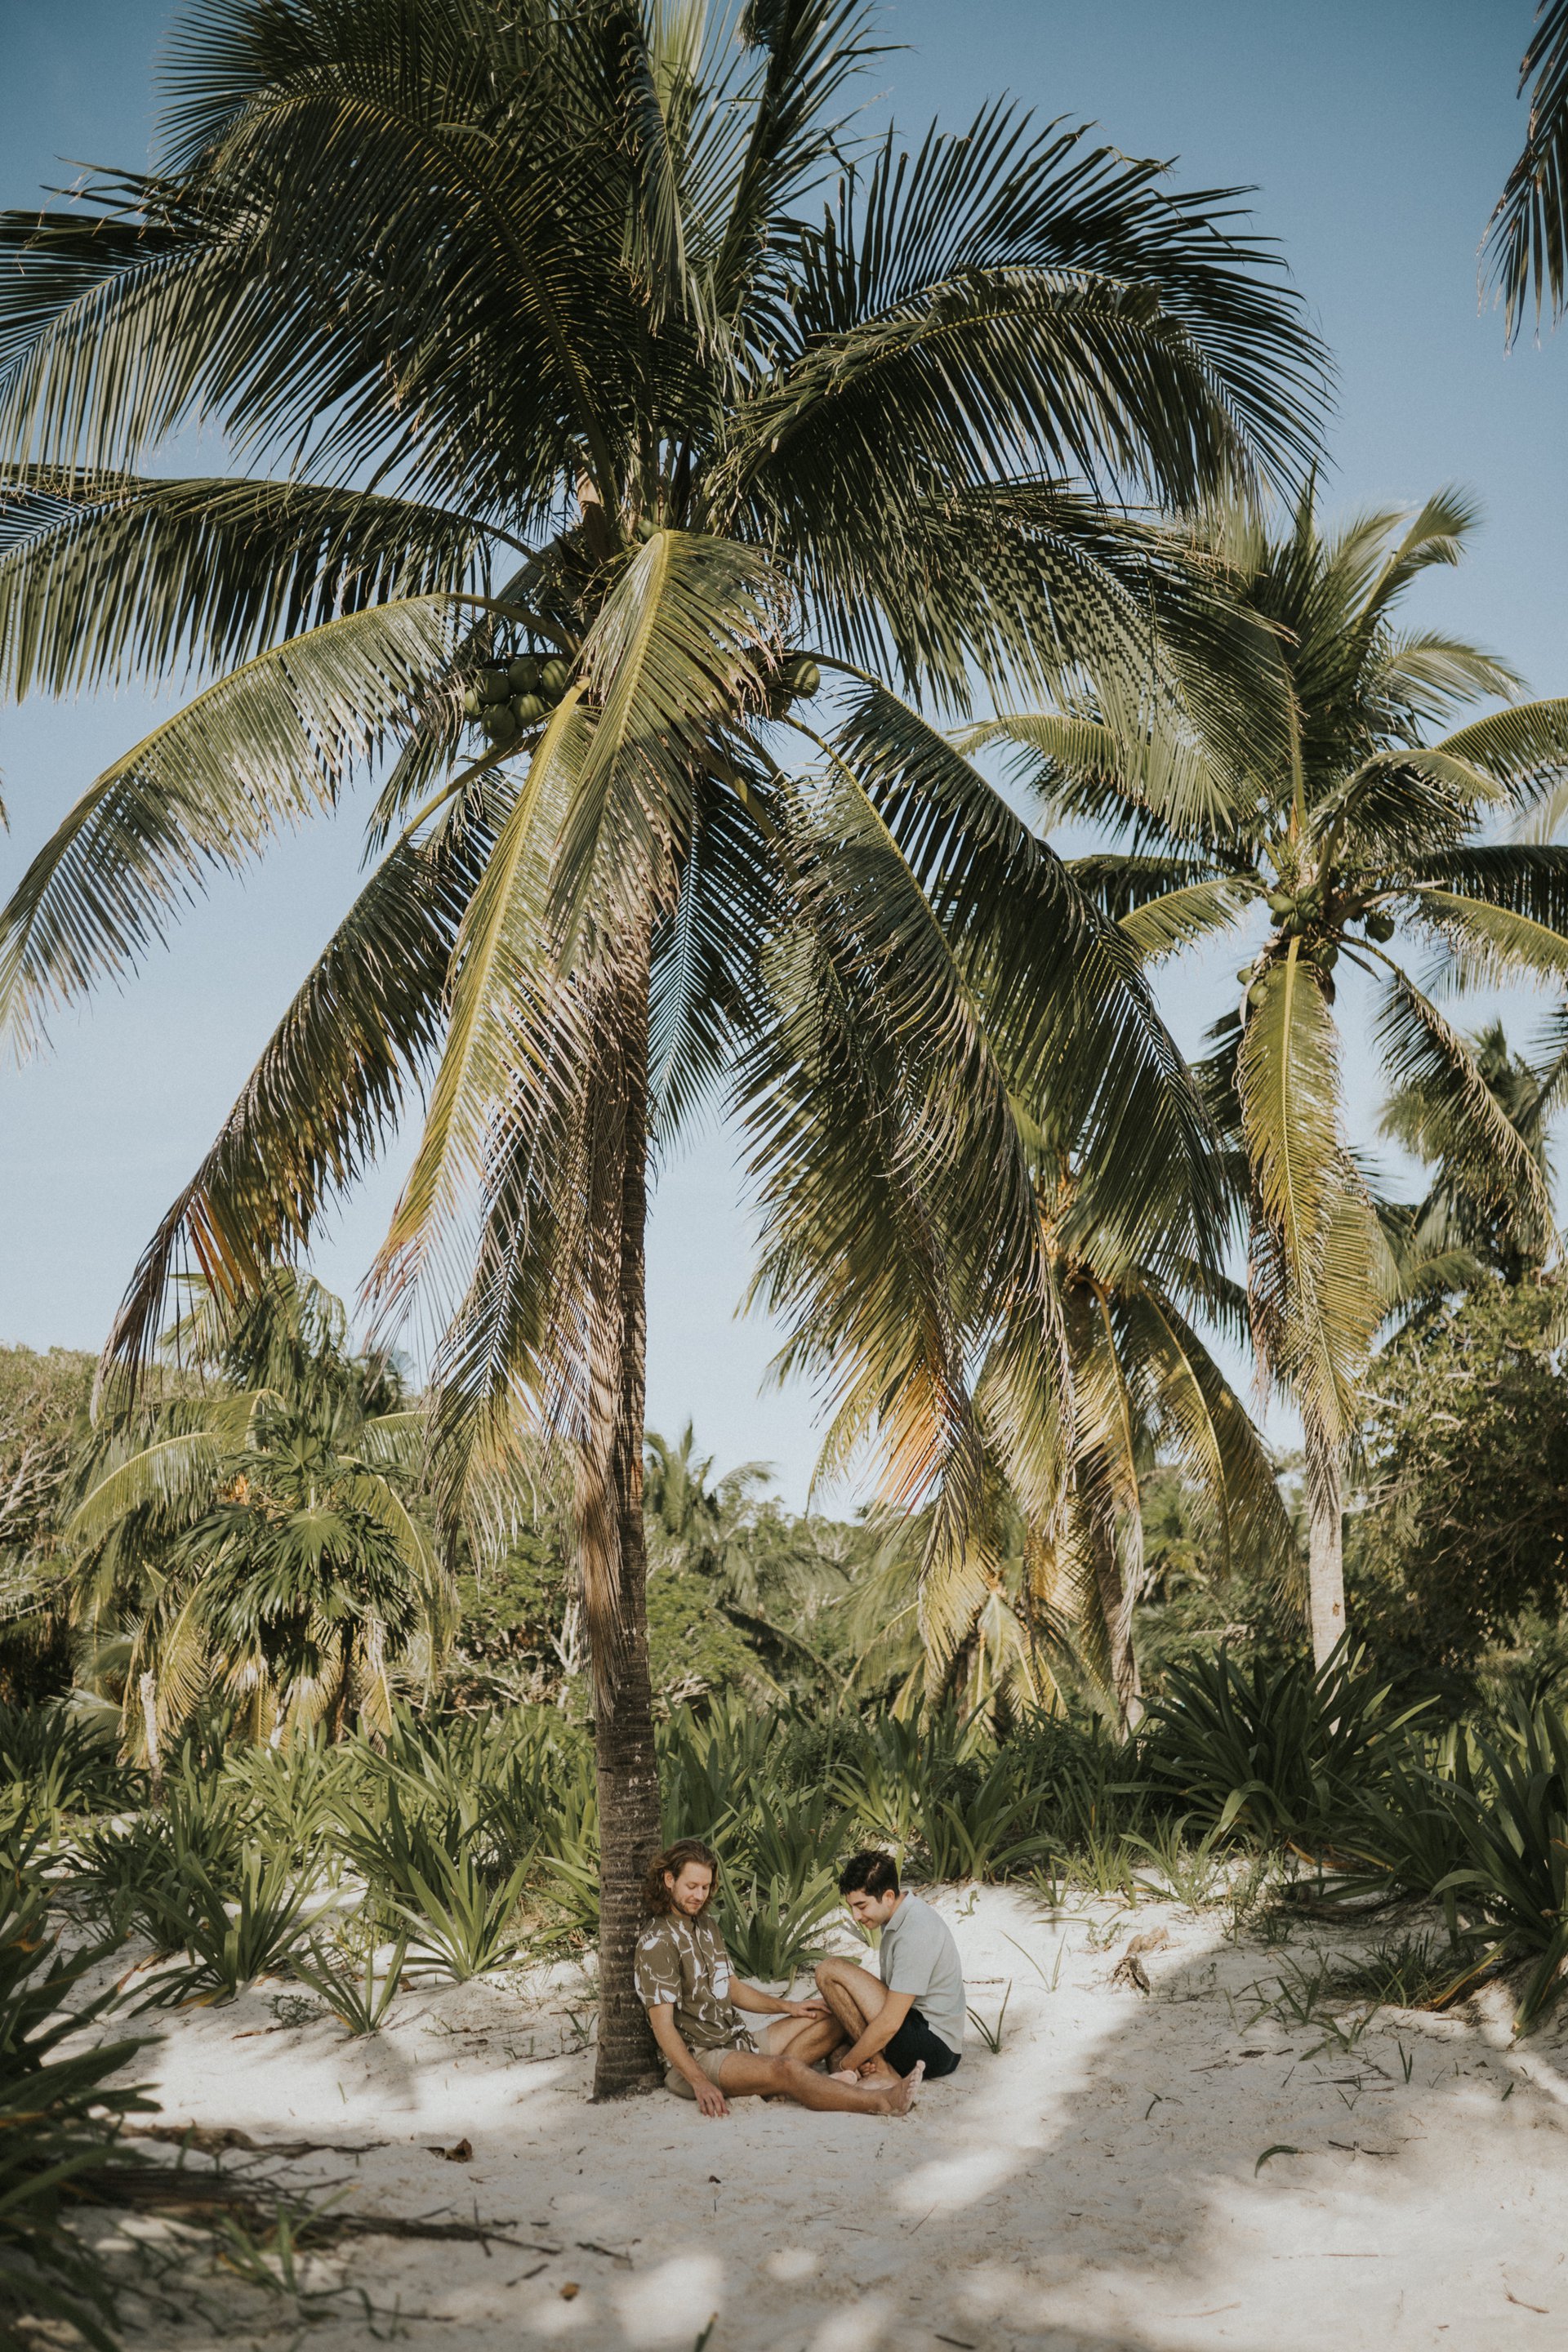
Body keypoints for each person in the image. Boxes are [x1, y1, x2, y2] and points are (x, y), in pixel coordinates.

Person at [634, 1839, 922, 2121]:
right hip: (700, 2057)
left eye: (706, 1887)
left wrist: (790, 2008)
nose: (699, 1895)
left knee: (832, 2014)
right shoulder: (657, 1943)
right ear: (669, 1880)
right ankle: (882, 2101)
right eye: (691, 1886)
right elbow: (663, 2028)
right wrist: (699, 2081)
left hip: (737, 2041)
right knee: (786, 2069)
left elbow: (732, 1988)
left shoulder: (706, 1925)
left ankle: (809, 2081)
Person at [814, 1850, 965, 2085]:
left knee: (828, 1970)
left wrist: (849, 2064)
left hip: (935, 2047)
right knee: (835, 2047)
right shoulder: (896, 1916)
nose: (856, 1916)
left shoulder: (916, 1930)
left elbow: (890, 2022)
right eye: (852, 1907)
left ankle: (882, 2072)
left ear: (887, 1896)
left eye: (862, 1906)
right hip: (916, 2031)